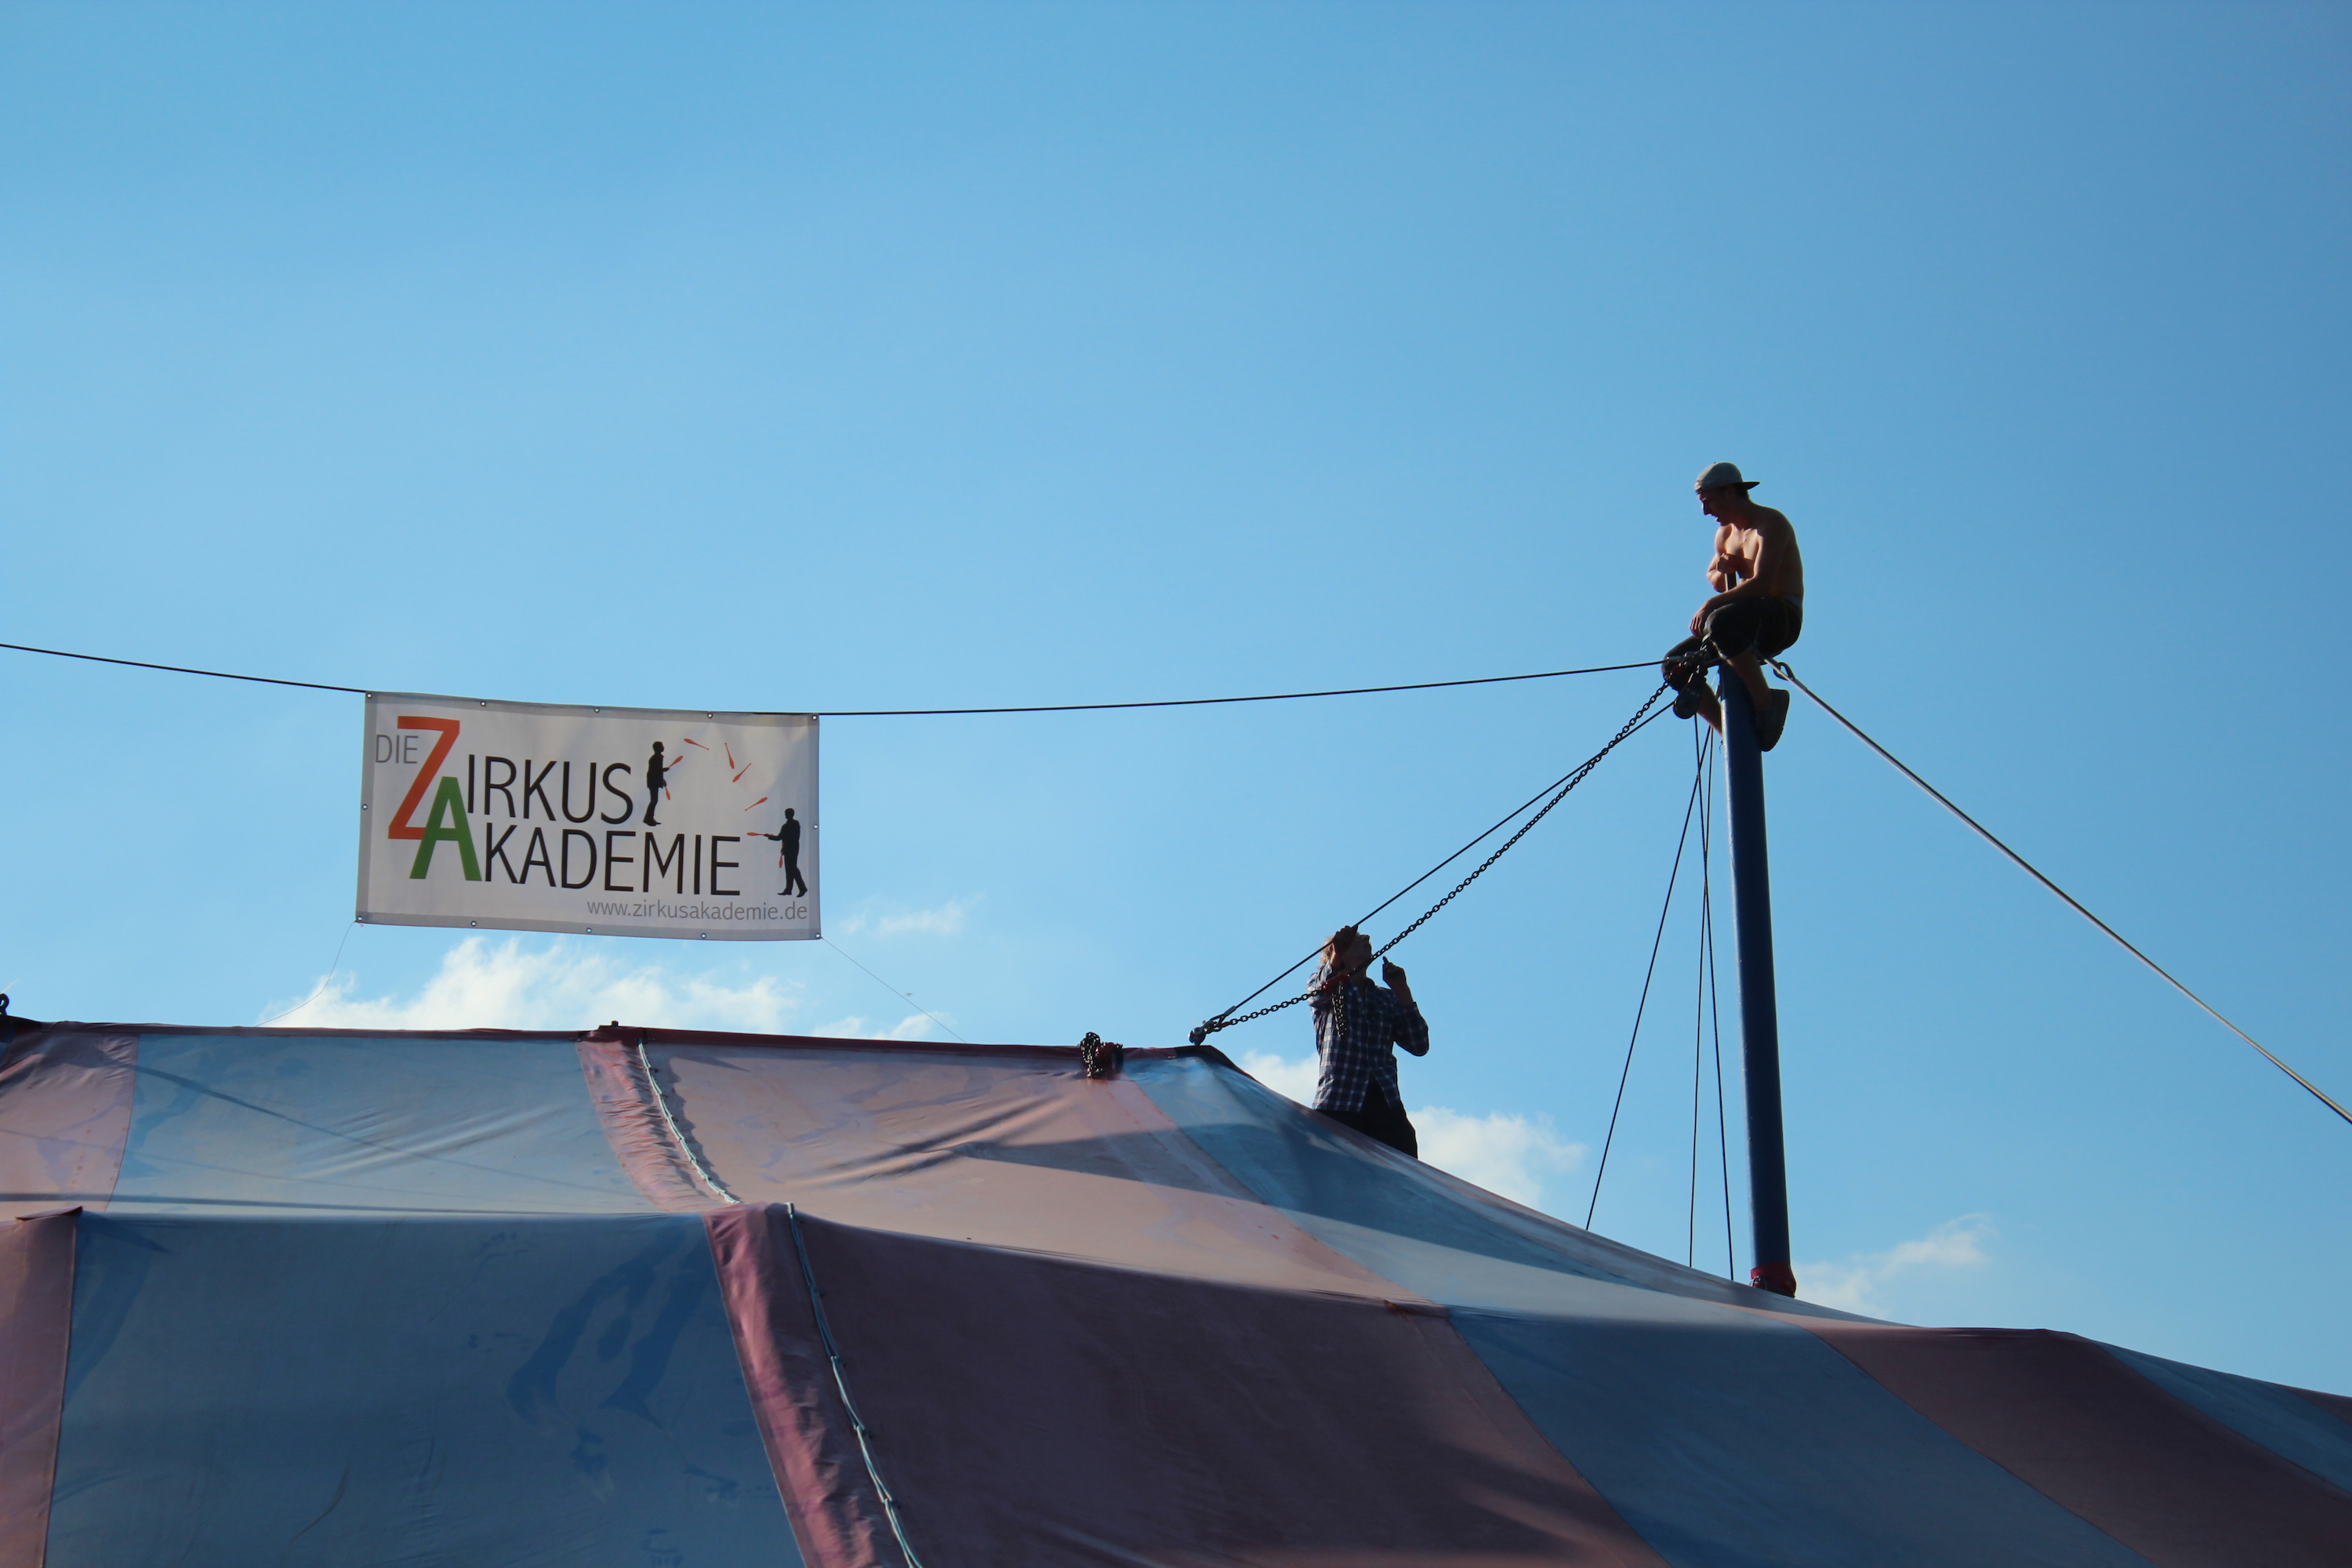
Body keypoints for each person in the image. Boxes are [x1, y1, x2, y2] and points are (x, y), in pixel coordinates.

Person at [1661, 462, 1805, 750]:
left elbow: (1762, 584)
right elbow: (1714, 578)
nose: (1706, 511)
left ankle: (1766, 703)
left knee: (1719, 622)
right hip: (1740, 620)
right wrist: (1725, 568)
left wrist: (1711, 604)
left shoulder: (1770, 524)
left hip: (1779, 616)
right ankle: (1729, 733)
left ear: (1729, 492)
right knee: (1674, 664)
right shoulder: (1725, 534)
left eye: (1709, 502)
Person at [1307, 925, 1430, 1157]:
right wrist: (1337, 955)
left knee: (1402, 1161)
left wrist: (1402, 990)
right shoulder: (1330, 989)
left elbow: (1419, 1044)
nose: (1367, 937)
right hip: (1338, 1102)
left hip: (1384, 1103)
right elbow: (1317, 992)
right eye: (1357, 937)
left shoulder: (1385, 997)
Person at [757, 807, 808, 897]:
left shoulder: (786, 826)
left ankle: (799, 889)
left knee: (791, 870)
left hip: (790, 849)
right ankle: (791, 889)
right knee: (791, 870)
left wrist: (769, 836)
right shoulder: (795, 824)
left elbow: (779, 837)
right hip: (794, 848)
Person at [642, 742, 670, 827]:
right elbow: (656, 771)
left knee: (654, 800)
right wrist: (663, 771)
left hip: (653, 781)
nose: (663, 747)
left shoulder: (657, 757)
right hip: (653, 781)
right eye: (662, 746)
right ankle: (648, 818)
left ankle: (649, 818)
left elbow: (656, 771)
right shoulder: (657, 758)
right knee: (654, 800)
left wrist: (662, 779)